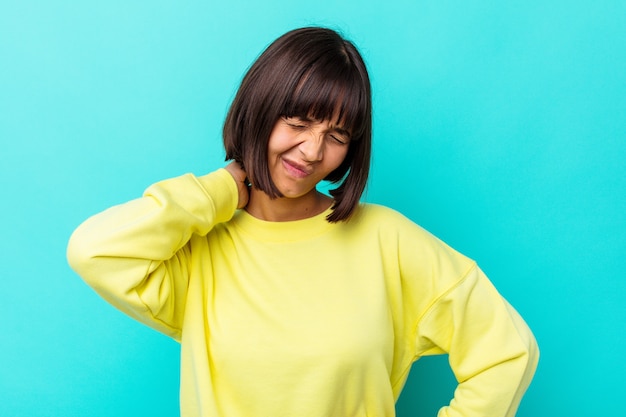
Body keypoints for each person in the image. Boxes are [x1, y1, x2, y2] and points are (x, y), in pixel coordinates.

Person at [67, 27, 539, 417]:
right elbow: (94, 249)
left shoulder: (387, 240)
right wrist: (224, 186)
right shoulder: (200, 251)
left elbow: (507, 351)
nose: (313, 152)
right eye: (297, 122)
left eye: (336, 136)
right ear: (260, 110)